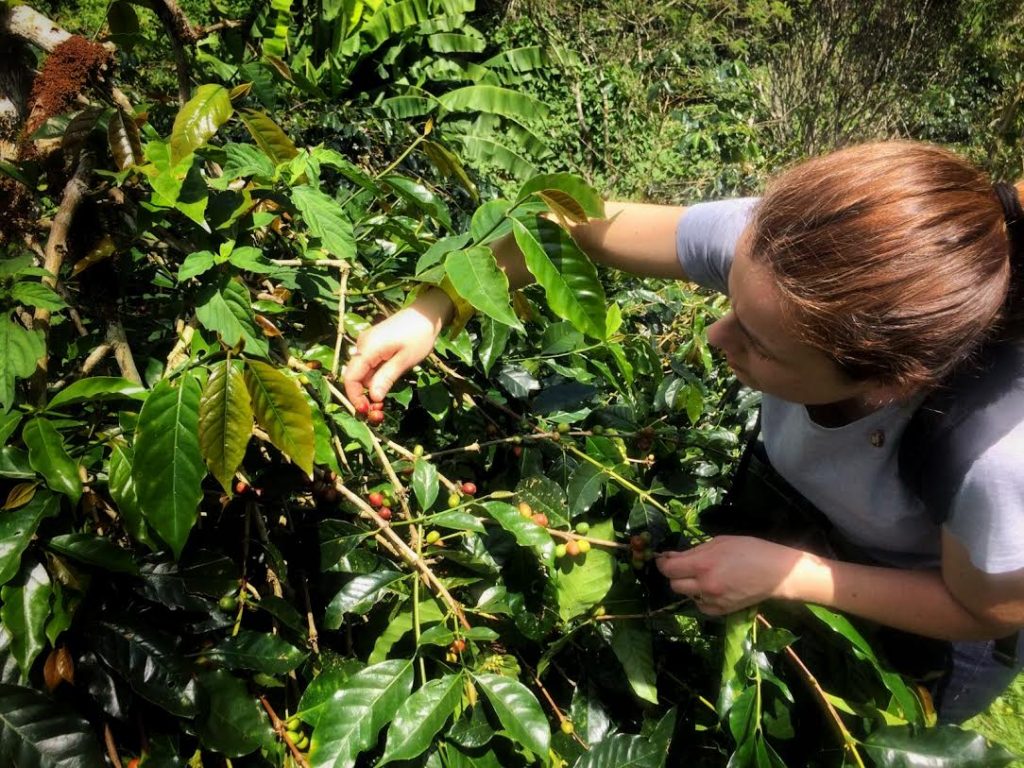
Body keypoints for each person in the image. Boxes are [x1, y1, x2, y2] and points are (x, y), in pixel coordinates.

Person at [343, 140, 1024, 723]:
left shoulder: (989, 454)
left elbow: (989, 612)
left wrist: (796, 576)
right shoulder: (788, 256)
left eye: (760, 346)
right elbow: (565, 224)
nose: (716, 335)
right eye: (730, 299)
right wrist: (437, 305)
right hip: (807, 525)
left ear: (889, 383)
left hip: (927, 633)